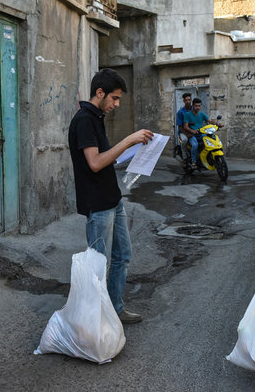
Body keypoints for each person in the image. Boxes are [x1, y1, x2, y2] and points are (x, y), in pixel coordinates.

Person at [68, 68, 153, 324]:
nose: (116, 104)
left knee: (122, 256)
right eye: (114, 98)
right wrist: (127, 141)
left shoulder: (96, 117)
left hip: (112, 199)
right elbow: (94, 163)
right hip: (98, 204)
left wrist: (131, 152)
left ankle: (114, 309)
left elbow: (103, 160)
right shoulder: (84, 120)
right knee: (98, 266)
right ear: (100, 92)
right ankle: (93, 321)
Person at [182, 97, 222, 168]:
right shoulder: (187, 114)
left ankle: (207, 158)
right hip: (192, 135)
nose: (198, 107)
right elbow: (185, 126)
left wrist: (217, 124)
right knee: (195, 145)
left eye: (199, 106)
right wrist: (192, 131)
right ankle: (194, 162)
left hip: (201, 134)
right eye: (196, 106)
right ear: (193, 106)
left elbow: (210, 121)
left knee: (209, 142)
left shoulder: (202, 114)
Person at [176, 92, 192, 163]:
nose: (188, 101)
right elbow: (180, 126)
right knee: (185, 140)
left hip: (192, 130)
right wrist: (187, 134)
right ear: (184, 101)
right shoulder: (180, 112)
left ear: (191, 100)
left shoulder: (194, 109)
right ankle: (184, 157)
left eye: (189, 100)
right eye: (186, 100)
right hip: (183, 131)